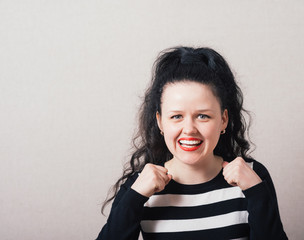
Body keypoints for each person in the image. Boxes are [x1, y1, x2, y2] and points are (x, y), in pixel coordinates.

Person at [97, 46, 288, 240]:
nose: (189, 129)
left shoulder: (253, 176)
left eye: (203, 116)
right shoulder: (139, 186)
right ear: (160, 122)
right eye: (176, 116)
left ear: (223, 120)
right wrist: (135, 198)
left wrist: (256, 192)